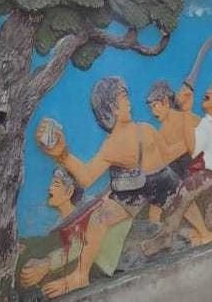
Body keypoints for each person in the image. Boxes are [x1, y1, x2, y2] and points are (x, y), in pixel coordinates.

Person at [35, 76, 179, 297]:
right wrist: (62, 154)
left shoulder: (146, 129)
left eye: (127, 96)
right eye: (123, 98)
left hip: (163, 182)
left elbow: (168, 154)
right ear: (111, 108)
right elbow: (86, 177)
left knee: (181, 202)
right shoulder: (112, 144)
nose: (129, 102)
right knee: (99, 217)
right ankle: (80, 275)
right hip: (136, 189)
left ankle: (202, 233)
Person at [140, 76, 212, 256]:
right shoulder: (200, 124)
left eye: (155, 105)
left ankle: (168, 236)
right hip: (203, 173)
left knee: (184, 191)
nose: (207, 92)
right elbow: (189, 148)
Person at [19, 168, 132, 291]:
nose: (49, 189)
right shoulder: (59, 226)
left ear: (69, 192)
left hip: (97, 271)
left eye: (55, 184)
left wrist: (48, 263)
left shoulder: (89, 213)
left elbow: (81, 243)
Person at [146, 81, 212, 245]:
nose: (153, 111)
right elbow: (164, 159)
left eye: (156, 106)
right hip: (181, 174)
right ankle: (175, 234)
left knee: (179, 191)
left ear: (166, 102)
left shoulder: (187, 118)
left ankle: (202, 234)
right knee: (157, 203)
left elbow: (206, 139)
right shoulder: (161, 132)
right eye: (151, 107)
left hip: (203, 170)